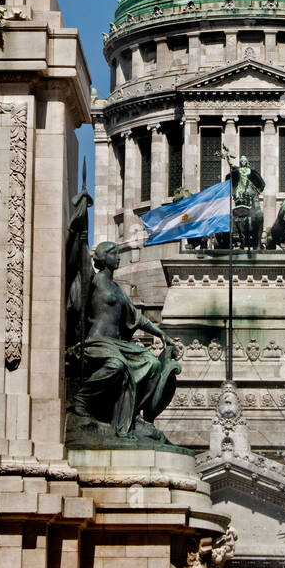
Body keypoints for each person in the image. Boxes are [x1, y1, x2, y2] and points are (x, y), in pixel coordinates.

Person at [66, 186, 180, 439]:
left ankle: (130, 419)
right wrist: (81, 217)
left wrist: (162, 334)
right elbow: (77, 254)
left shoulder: (118, 289)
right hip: (95, 342)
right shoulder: (92, 281)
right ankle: (81, 403)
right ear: (103, 258)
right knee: (117, 366)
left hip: (116, 343)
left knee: (151, 364)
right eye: (114, 253)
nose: (119, 256)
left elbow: (138, 319)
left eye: (118, 253)